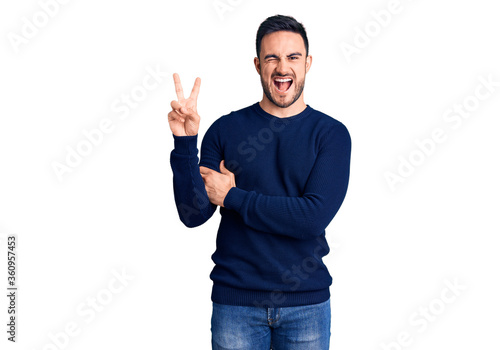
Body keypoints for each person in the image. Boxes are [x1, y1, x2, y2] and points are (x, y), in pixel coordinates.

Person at [168, 14, 351, 350]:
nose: (283, 68)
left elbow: (312, 218)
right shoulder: (225, 130)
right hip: (235, 303)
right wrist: (185, 143)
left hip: (306, 305)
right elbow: (193, 215)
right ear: (257, 65)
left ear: (308, 63)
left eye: (293, 57)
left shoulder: (331, 135)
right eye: (272, 57)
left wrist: (234, 196)